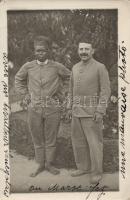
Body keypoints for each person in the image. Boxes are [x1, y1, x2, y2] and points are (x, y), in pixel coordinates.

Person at [15, 35, 70, 177]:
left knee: (51, 138)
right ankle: (40, 165)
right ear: (34, 51)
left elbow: (70, 77)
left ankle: (49, 164)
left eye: (43, 51)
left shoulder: (57, 66)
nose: (40, 53)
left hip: (53, 108)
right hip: (34, 108)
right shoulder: (28, 66)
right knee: (37, 138)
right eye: (38, 51)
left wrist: (62, 93)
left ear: (48, 51)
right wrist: (25, 94)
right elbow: (18, 80)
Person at [67, 39, 111, 184]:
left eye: (87, 49)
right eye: (81, 49)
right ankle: (83, 167)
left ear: (92, 51)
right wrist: (69, 107)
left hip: (92, 113)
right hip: (76, 111)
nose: (83, 52)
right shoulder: (74, 67)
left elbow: (105, 91)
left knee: (94, 143)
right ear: (78, 51)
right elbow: (71, 89)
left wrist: (100, 110)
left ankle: (97, 172)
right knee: (78, 142)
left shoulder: (100, 67)